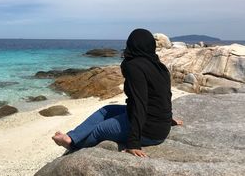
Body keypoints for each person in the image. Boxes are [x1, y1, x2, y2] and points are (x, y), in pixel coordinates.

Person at [52, 28, 183, 157]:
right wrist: (166, 118)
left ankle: (72, 145)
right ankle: (71, 137)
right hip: (159, 124)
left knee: (99, 129)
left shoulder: (134, 66)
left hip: (149, 132)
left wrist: (133, 143)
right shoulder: (159, 66)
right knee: (106, 110)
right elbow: (164, 95)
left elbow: (139, 103)